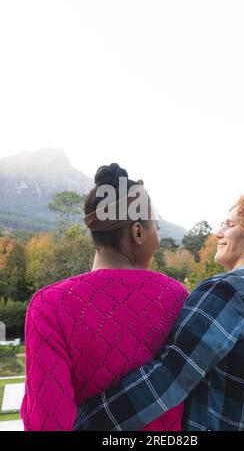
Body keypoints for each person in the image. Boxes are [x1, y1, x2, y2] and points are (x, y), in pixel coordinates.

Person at [75, 190, 244, 431]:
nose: (218, 233)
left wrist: (87, 422)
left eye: (230, 225)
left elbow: (170, 376)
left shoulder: (228, 291)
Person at [20, 163, 188, 431]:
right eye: (156, 227)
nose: (158, 238)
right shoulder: (178, 297)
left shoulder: (49, 306)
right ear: (138, 232)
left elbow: (47, 422)